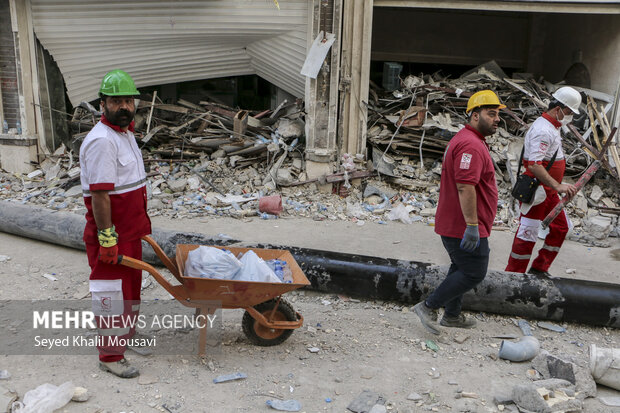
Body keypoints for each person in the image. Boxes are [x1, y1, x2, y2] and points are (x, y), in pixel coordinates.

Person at [80, 69, 151, 378]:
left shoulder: (125, 135)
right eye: (117, 101)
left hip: (131, 232)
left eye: (128, 100)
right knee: (111, 294)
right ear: (103, 104)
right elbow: (100, 196)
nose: (124, 106)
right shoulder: (102, 141)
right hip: (111, 236)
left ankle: (123, 342)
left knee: (131, 290)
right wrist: (107, 238)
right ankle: (109, 356)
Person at [414, 90, 503, 335]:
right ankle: (428, 307)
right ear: (475, 116)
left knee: (460, 267)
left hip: (462, 223)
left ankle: (451, 316)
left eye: (498, 115)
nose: (497, 119)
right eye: (491, 114)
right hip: (463, 226)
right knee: (474, 272)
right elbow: (465, 186)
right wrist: (472, 226)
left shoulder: (471, 140)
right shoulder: (470, 145)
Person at [505, 86, 580, 276]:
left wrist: (554, 188)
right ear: (558, 109)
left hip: (548, 192)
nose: (569, 116)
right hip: (538, 191)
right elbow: (534, 165)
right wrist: (557, 185)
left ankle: (539, 268)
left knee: (561, 228)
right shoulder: (543, 130)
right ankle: (513, 275)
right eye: (569, 112)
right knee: (527, 234)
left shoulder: (552, 128)